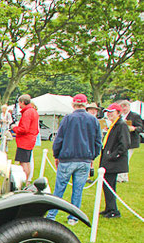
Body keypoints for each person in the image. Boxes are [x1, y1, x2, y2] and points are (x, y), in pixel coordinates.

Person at [46, 94, 101, 225]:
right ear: (86, 104)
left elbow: (58, 139)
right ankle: (73, 217)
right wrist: (92, 156)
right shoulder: (93, 120)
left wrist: (56, 155)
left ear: (73, 105)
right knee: (78, 189)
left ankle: (51, 215)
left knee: (59, 188)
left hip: (67, 159)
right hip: (84, 159)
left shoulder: (68, 119)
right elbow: (98, 142)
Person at [99, 103, 131, 218]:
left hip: (114, 162)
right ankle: (109, 208)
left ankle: (113, 210)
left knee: (110, 185)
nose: (109, 114)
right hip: (108, 160)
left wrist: (112, 155)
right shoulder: (114, 125)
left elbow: (124, 144)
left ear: (118, 113)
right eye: (108, 112)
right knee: (107, 185)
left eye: (112, 112)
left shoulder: (121, 125)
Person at [11, 94, 39, 183]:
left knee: (23, 163)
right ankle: (27, 180)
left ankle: (24, 181)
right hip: (30, 140)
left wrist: (14, 128)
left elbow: (24, 129)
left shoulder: (27, 113)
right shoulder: (33, 111)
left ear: (22, 102)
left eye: (19, 103)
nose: (19, 105)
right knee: (27, 162)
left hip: (24, 141)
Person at [116, 100, 143, 182]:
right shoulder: (120, 116)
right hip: (121, 140)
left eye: (125, 106)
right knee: (122, 158)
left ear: (129, 106)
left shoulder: (135, 116)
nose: (124, 108)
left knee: (126, 159)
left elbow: (140, 127)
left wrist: (134, 128)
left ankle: (122, 177)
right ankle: (123, 177)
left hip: (131, 141)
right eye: (122, 106)